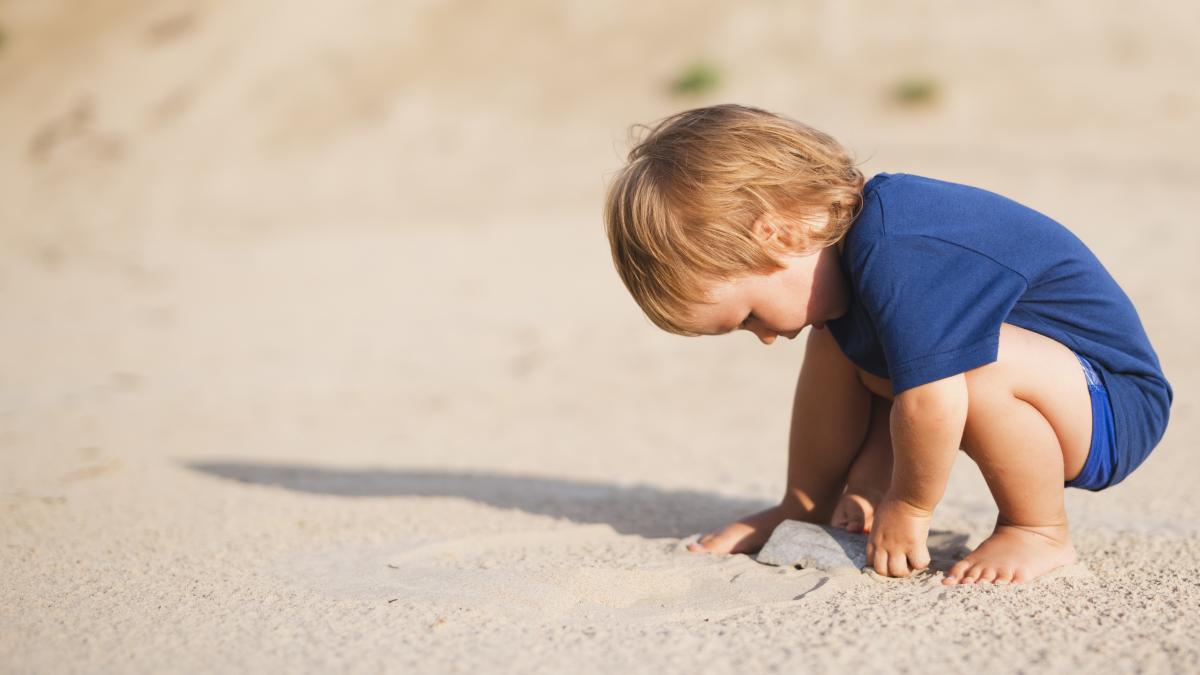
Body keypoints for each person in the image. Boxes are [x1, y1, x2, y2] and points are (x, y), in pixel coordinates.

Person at [602, 104, 1173, 585]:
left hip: (1110, 403)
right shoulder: (850, 272)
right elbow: (893, 375)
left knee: (969, 366)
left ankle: (1038, 529)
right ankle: (804, 504)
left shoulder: (899, 245)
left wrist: (909, 505)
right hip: (1044, 385)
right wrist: (871, 488)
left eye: (751, 315)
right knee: (835, 340)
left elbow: (931, 399)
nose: (769, 338)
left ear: (779, 233)